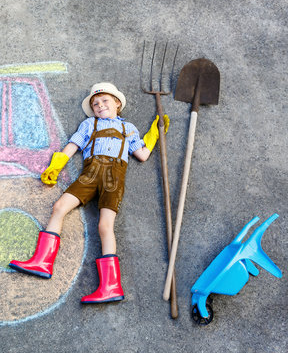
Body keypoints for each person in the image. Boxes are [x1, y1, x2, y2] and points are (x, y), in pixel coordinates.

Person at [9, 82, 169, 303]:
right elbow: (73, 146)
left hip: (113, 178)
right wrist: (56, 165)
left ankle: (111, 287)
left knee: (104, 226)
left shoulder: (128, 128)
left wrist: (154, 133)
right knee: (59, 207)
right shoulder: (88, 124)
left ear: (117, 104)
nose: (100, 105)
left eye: (105, 101)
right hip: (89, 175)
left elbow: (141, 154)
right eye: (95, 104)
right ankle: (42, 261)